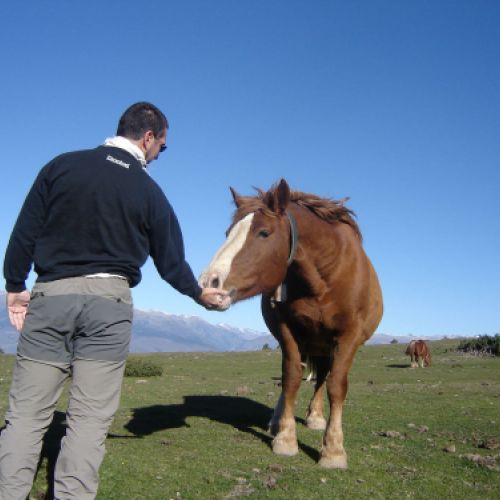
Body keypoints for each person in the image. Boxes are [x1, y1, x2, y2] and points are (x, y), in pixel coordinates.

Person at [0, 102, 228, 500]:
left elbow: (24, 232)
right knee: (88, 422)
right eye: (162, 147)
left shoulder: (60, 167)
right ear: (148, 137)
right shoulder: (150, 192)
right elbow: (170, 261)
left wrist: (16, 285)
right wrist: (198, 293)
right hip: (109, 306)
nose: (159, 155)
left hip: (51, 296)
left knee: (25, 417)